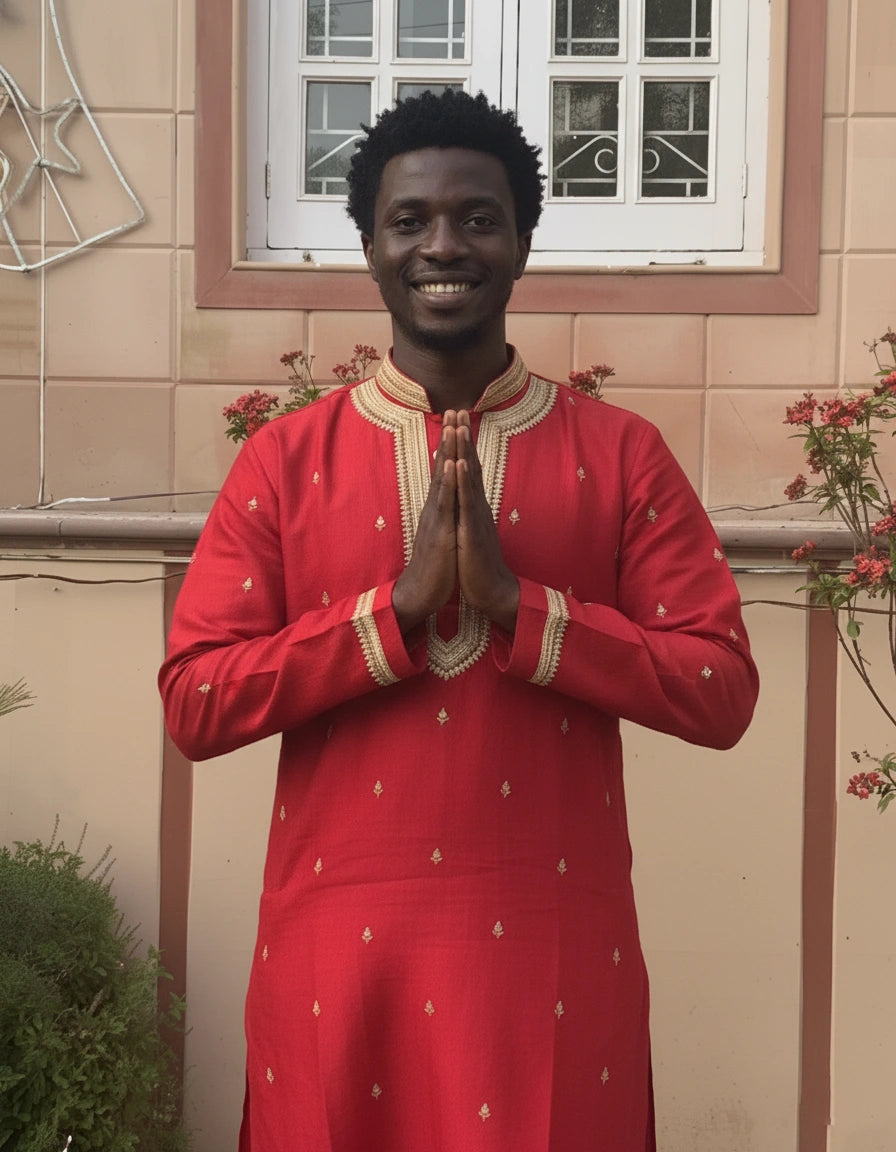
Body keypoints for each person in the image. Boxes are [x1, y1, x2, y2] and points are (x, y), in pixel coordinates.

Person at [159, 89, 759, 1152]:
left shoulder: (620, 456)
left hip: (551, 967)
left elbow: (718, 689)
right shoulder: (283, 463)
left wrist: (523, 612)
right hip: (335, 961)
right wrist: (387, 617)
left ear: (522, 240)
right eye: (410, 220)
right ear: (369, 244)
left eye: (477, 217)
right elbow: (196, 702)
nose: (444, 244)